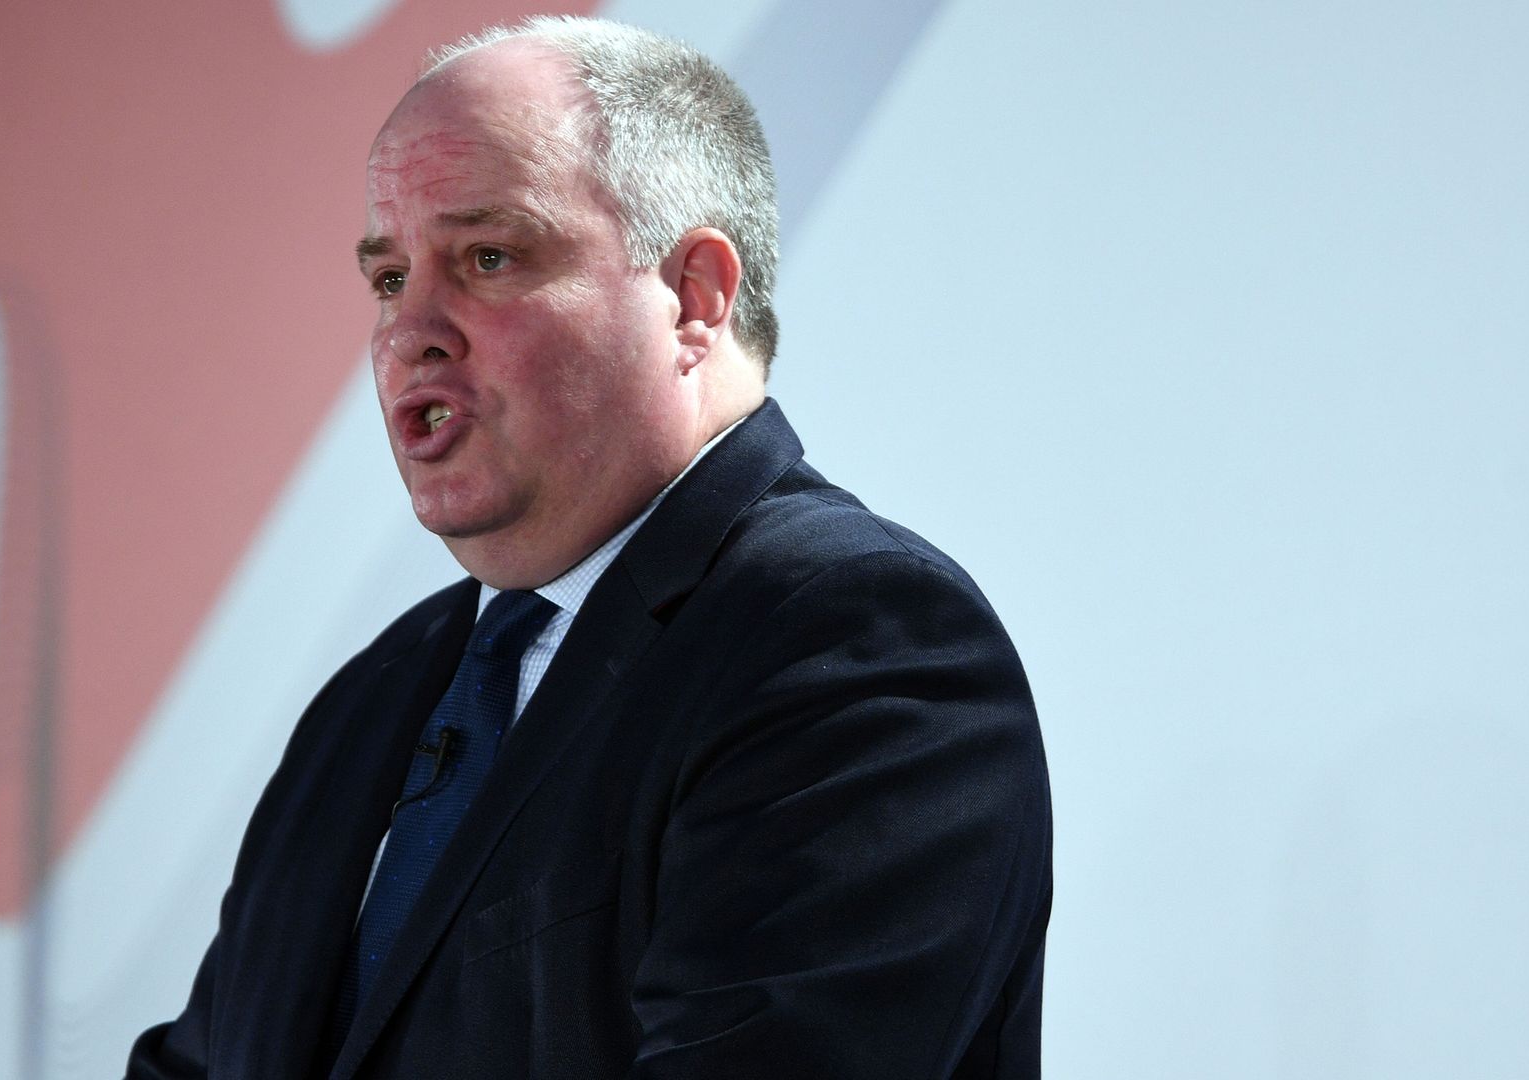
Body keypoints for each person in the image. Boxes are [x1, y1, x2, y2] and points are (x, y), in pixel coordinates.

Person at [127, 16, 1050, 1080]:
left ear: (694, 297)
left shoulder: (856, 648)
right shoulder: (369, 705)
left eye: (487, 256)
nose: (407, 330)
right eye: (387, 279)